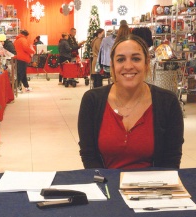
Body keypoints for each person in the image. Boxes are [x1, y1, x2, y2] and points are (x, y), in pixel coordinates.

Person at [78, 34, 184, 169]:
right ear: (112, 65)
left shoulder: (168, 102)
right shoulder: (92, 101)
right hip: (105, 184)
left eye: (136, 59)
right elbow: (89, 155)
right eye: (121, 59)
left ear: (146, 64)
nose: (128, 66)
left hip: (153, 185)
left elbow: (171, 159)